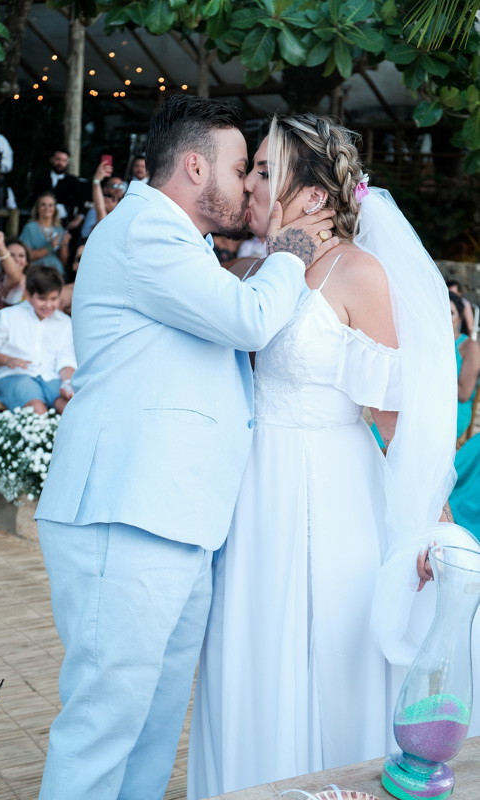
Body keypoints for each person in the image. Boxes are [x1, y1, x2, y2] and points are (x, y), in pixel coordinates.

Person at [34, 95, 339, 800]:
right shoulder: (146, 231)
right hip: (126, 511)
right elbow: (248, 319)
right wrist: (290, 248)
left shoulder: (187, 246)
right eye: (240, 169)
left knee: (151, 723)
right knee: (105, 721)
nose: (247, 186)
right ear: (195, 166)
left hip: (176, 517)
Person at [187, 113, 476, 799]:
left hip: (330, 494)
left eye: (262, 169)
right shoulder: (260, 266)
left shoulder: (356, 273)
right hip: (252, 491)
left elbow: (396, 417)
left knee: (324, 655)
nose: (249, 183)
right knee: (251, 654)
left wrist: (429, 522)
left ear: (312, 196)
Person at [0, 265, 75, 413]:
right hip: (14, 376)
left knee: (70, 407)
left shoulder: (65, 322)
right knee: (37, 408)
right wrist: (7, 360)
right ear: (28, 295)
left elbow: (66, 359)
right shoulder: (8, 316)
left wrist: (67, 383)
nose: (48, 305)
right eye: (42, 299)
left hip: (50, 377)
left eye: (53, 299)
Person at [32, 148, 89, 229]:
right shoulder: (41, 178)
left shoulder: (73, 181)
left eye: (64, 160)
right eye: (58, 159)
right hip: (41, 220)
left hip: (65, 223)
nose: (60, 163)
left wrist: (79, 218)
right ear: (52, 159)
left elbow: (82, 202)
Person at [450, 290, 480, 439]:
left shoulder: (470, 346)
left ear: (460, 318)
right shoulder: (429, 344)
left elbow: (463, 394)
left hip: (453, 411)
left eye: (451, 313)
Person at [20, 192, 70, 274]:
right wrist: (50, 247)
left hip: (57, 272)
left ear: (55, 209)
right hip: (37, 272)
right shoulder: (30, 228)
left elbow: (64, 262)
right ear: (37, 208)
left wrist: (64, 245)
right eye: (43, 204)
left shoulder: (60, 231)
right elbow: (27, 256)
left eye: (50, 205)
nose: (47, 208)